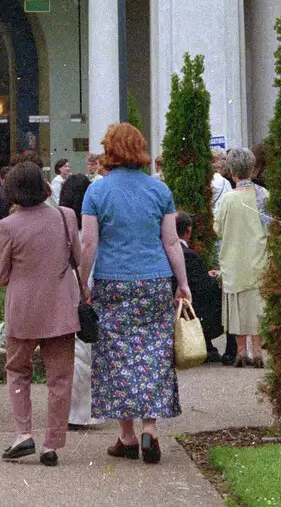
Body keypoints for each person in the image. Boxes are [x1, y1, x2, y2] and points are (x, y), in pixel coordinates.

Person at [79, 124, 189, 464]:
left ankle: (125, 436)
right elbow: (171, 241)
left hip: (112, 281)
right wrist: (182, 283)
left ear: (109, 150)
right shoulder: (160, 190)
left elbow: (89, 243)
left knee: (115, 355)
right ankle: (150, 429)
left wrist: (84, 282)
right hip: (154, 279)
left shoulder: (96, 193)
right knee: (155, 351)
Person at [0, 163, 81, 466]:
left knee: (18, 370)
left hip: (23, 310)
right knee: (60, 378)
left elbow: (0, 276)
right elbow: (78, 259)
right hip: (61, 308)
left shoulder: (7, 226)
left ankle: (23, 433)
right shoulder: (65, 216)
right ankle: (52, 443)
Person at [55, 166, 100, 426]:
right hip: (89, 288)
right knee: (87, 351)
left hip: (65, 290)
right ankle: (86, 410)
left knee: (71, 352)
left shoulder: (60, 222)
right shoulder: (94, 227)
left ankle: (71, 410)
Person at [216, 147, 267, 368]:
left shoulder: (228, 199)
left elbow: (218, 229)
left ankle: (240, 351)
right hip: (258, 258)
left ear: (233, 172)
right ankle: (257, 351)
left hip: (234, 260)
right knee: (256, 307)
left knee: (236, 308)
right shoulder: (264, 195)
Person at [174, 213, 226, 363]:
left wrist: (205, 274)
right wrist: (215, 280)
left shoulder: (163, 251)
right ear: (188, 230)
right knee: (220, 295)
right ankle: (218, 346)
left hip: (176, 297)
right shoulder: (188, 255)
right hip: (191, 303)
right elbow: (202, 286)